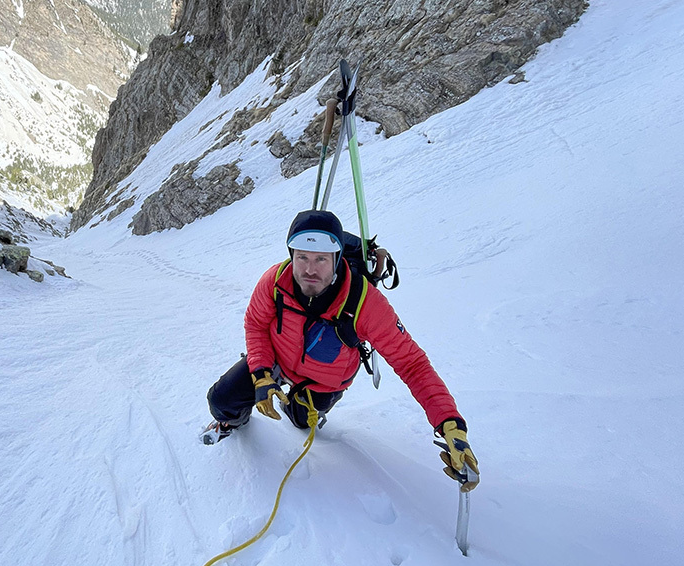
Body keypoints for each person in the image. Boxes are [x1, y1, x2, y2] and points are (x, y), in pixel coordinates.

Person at [202, 209, 479, 491]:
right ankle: (233, 421)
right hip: (276, 360)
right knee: (221, 401)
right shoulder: (275, 282)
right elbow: (256, 324)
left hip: (323, 381)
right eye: (302, 258)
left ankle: (303, 406)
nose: (310, 270)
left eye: (321, 259)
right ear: (291, 255)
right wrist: (261, 372)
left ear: (337, 260)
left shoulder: (365, 304)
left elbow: (412, 364)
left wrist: (449, 424)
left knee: (300, 422)